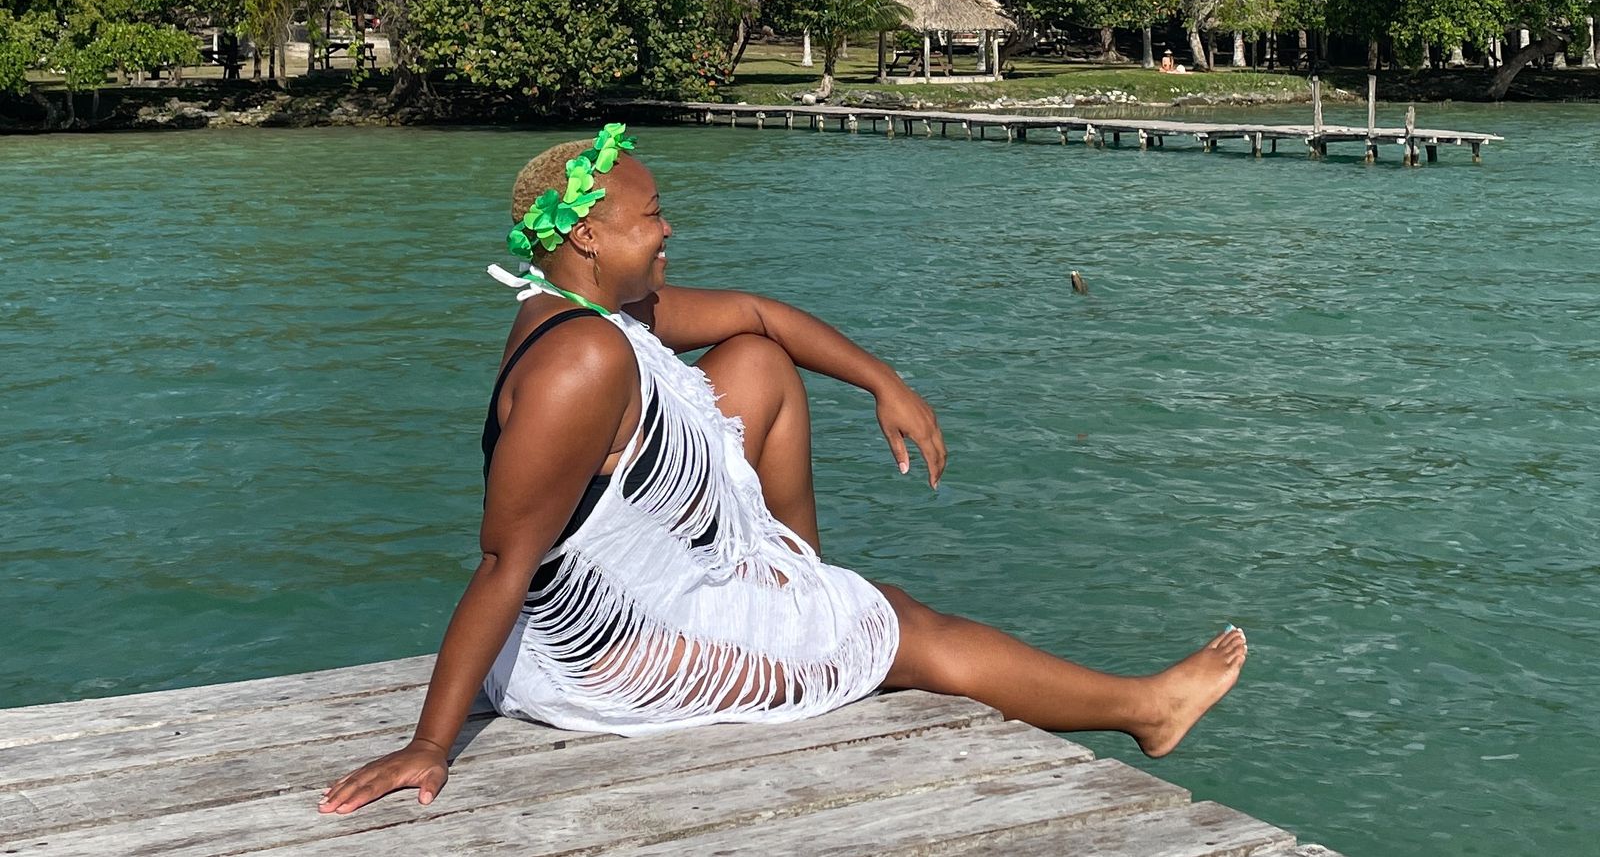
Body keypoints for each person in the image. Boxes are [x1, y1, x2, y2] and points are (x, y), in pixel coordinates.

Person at [318, 123, 1247, 815]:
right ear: (590, 235)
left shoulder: (597, 313)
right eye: (650, 216)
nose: (668, 227)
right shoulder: (582, 361)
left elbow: (759, 312)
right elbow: (502, 562)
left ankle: (798, 587)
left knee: (758, 357)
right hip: (602, 660)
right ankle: (1145, 709)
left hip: (614, 612)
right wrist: (430, 744)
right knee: (902, 627)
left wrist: (885, 383)